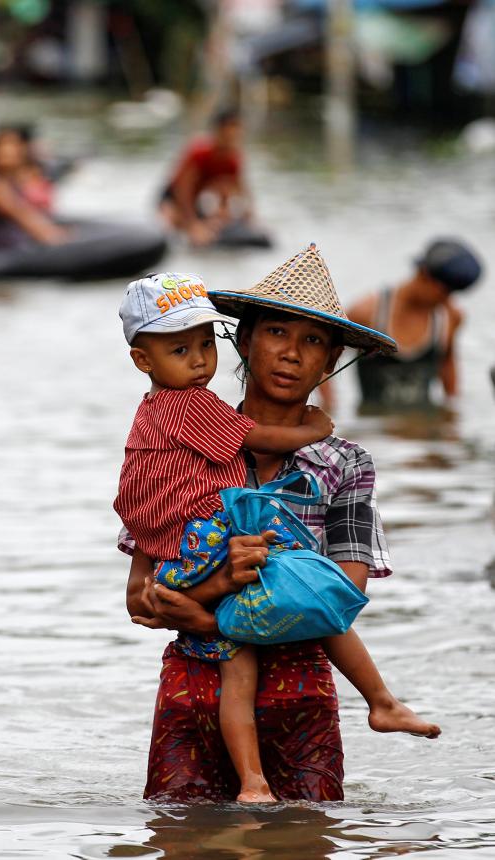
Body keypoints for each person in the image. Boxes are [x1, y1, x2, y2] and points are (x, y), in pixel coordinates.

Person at [121, 245, 440, 804]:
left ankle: (380, 705)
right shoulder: (181, 440)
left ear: (332, 359)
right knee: (182, 836)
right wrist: (216, 591)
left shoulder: (345, 463)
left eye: (313, 341)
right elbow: (141, 600)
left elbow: (344, 596)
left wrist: (209, 604)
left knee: (306, 835)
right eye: (275, 333)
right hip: (194, 689)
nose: (292, 354)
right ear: (243, 341)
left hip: (301, 696)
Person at [348, 238, 483, 413]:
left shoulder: (449, 317)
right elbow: (324, 360)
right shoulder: (367, 312)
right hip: (376, 431)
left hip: (425, 429)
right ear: (423, 274)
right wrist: (329, 407)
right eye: (445, 291)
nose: (448, 300)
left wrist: (452, 417)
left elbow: (448, 363)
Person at [158, 108, 250, 247]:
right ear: (219, 130)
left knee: (216, 226)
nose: (235, 135)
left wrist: (247, 220)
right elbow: (182, 191)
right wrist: (192, 225)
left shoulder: (233, 159)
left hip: (195, 202)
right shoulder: (199, 152)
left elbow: (236, 190)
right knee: (169, 226)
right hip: (172, 198)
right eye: (231, 129)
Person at [0, 124, 68, 248]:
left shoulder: (15, 180)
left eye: (12, 145)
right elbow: (22, 214)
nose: (5, 150)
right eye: (0, 145)